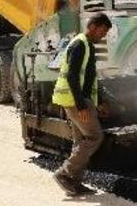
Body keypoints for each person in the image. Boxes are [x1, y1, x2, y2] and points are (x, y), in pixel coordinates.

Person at [51, 13, 113, 196]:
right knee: (95, 137)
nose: (102, 36)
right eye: (102, 31)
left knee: (80, 141)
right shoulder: (80, 44)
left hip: (76, 100)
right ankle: (64, 173)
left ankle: (73, 183)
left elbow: (89, 79)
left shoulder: (87, 45)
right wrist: (82, 106)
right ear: (93, 26)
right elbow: (71, 76)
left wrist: (98, 102)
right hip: (74, 101)